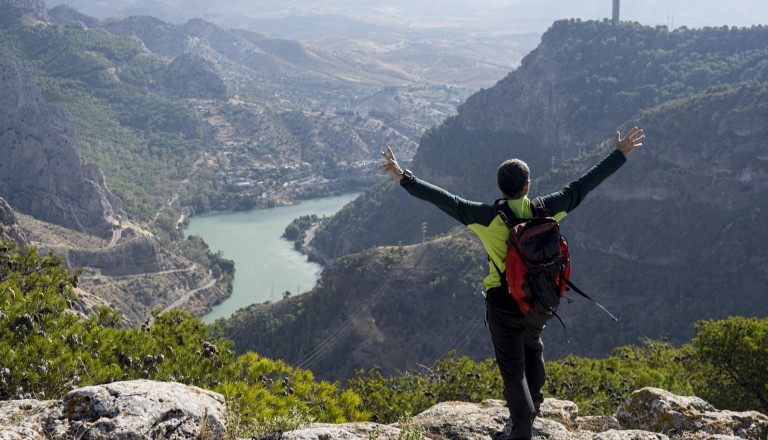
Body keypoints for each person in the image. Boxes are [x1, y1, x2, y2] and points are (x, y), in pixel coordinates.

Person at [379, 127, 645, 440]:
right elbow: (583, 185)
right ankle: (535, 404)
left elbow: (443, 198)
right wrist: (620, 153)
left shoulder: (487, 217)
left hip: (503, 303)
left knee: (511, 367)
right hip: (540, 300)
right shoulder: (548, 208)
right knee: (533, 348)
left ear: (500, 187)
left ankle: (522, 430)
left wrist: (403, 176)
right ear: (528, 186)